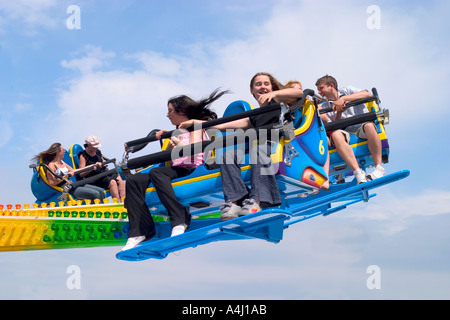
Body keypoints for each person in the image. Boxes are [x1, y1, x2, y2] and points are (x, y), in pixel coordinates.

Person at [181, 72, 303, 221]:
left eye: (266, 83)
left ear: (272, 87)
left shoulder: (277, 101)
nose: (263, 87)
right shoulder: (253, 115)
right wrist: (197, 123)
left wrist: (275, 93)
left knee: (258, 151)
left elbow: (298, 93)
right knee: (227, 156)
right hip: (259, 149)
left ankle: (256, 201)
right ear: (252, 90)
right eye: (258, 84)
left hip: (280, 147)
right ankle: (234, 202)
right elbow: (222, 126)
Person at [121, 88, 228, 251]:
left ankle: (180, 218)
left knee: (158, 173)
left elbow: (194, 149)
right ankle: (141, 230)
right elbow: (174, 157)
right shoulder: (177, 131)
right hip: (175, 169)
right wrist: (170, 139)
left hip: (192, 168)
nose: (167, 115)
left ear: (182, 111)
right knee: (134, 180)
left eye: (170, 110)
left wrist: (176, 141)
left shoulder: (196, 126)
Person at [315, 75, 385, 185]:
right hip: (345, 131)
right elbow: (334, 125)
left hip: (361, 126)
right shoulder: (325, 106)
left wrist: (343, 99)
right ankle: (358, 172)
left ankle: (379, 168)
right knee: (336, 135)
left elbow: (367, 94)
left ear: (331, 86)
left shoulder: (347, 90)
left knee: (369, 126)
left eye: (321, 88)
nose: (319, 92)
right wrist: (339, 112)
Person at [31, 143, 105, 201]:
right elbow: (51, 183)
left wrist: (92, 166)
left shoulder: (62, 162)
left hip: (72, 184)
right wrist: (65, 176)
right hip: (66, 189)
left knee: (101, 191)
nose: (64, 151)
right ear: (58, 152)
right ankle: (94, 216)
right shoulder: (51, 165)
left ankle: (103, 214)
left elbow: (74, 171)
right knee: (95, 194)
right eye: (62, 150)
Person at [78, 136, 125, 202]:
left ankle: (124, 201)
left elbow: (102, 161)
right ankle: (118, 202)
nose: (96, 148)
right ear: (88, 145)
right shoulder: (83, 156)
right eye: (95, 146)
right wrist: (91, 168)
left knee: (121, 181)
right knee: (112, 183)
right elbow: (81, 173)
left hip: (103, 173)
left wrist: (104, 164)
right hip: (95, 178)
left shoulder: (97, 152)